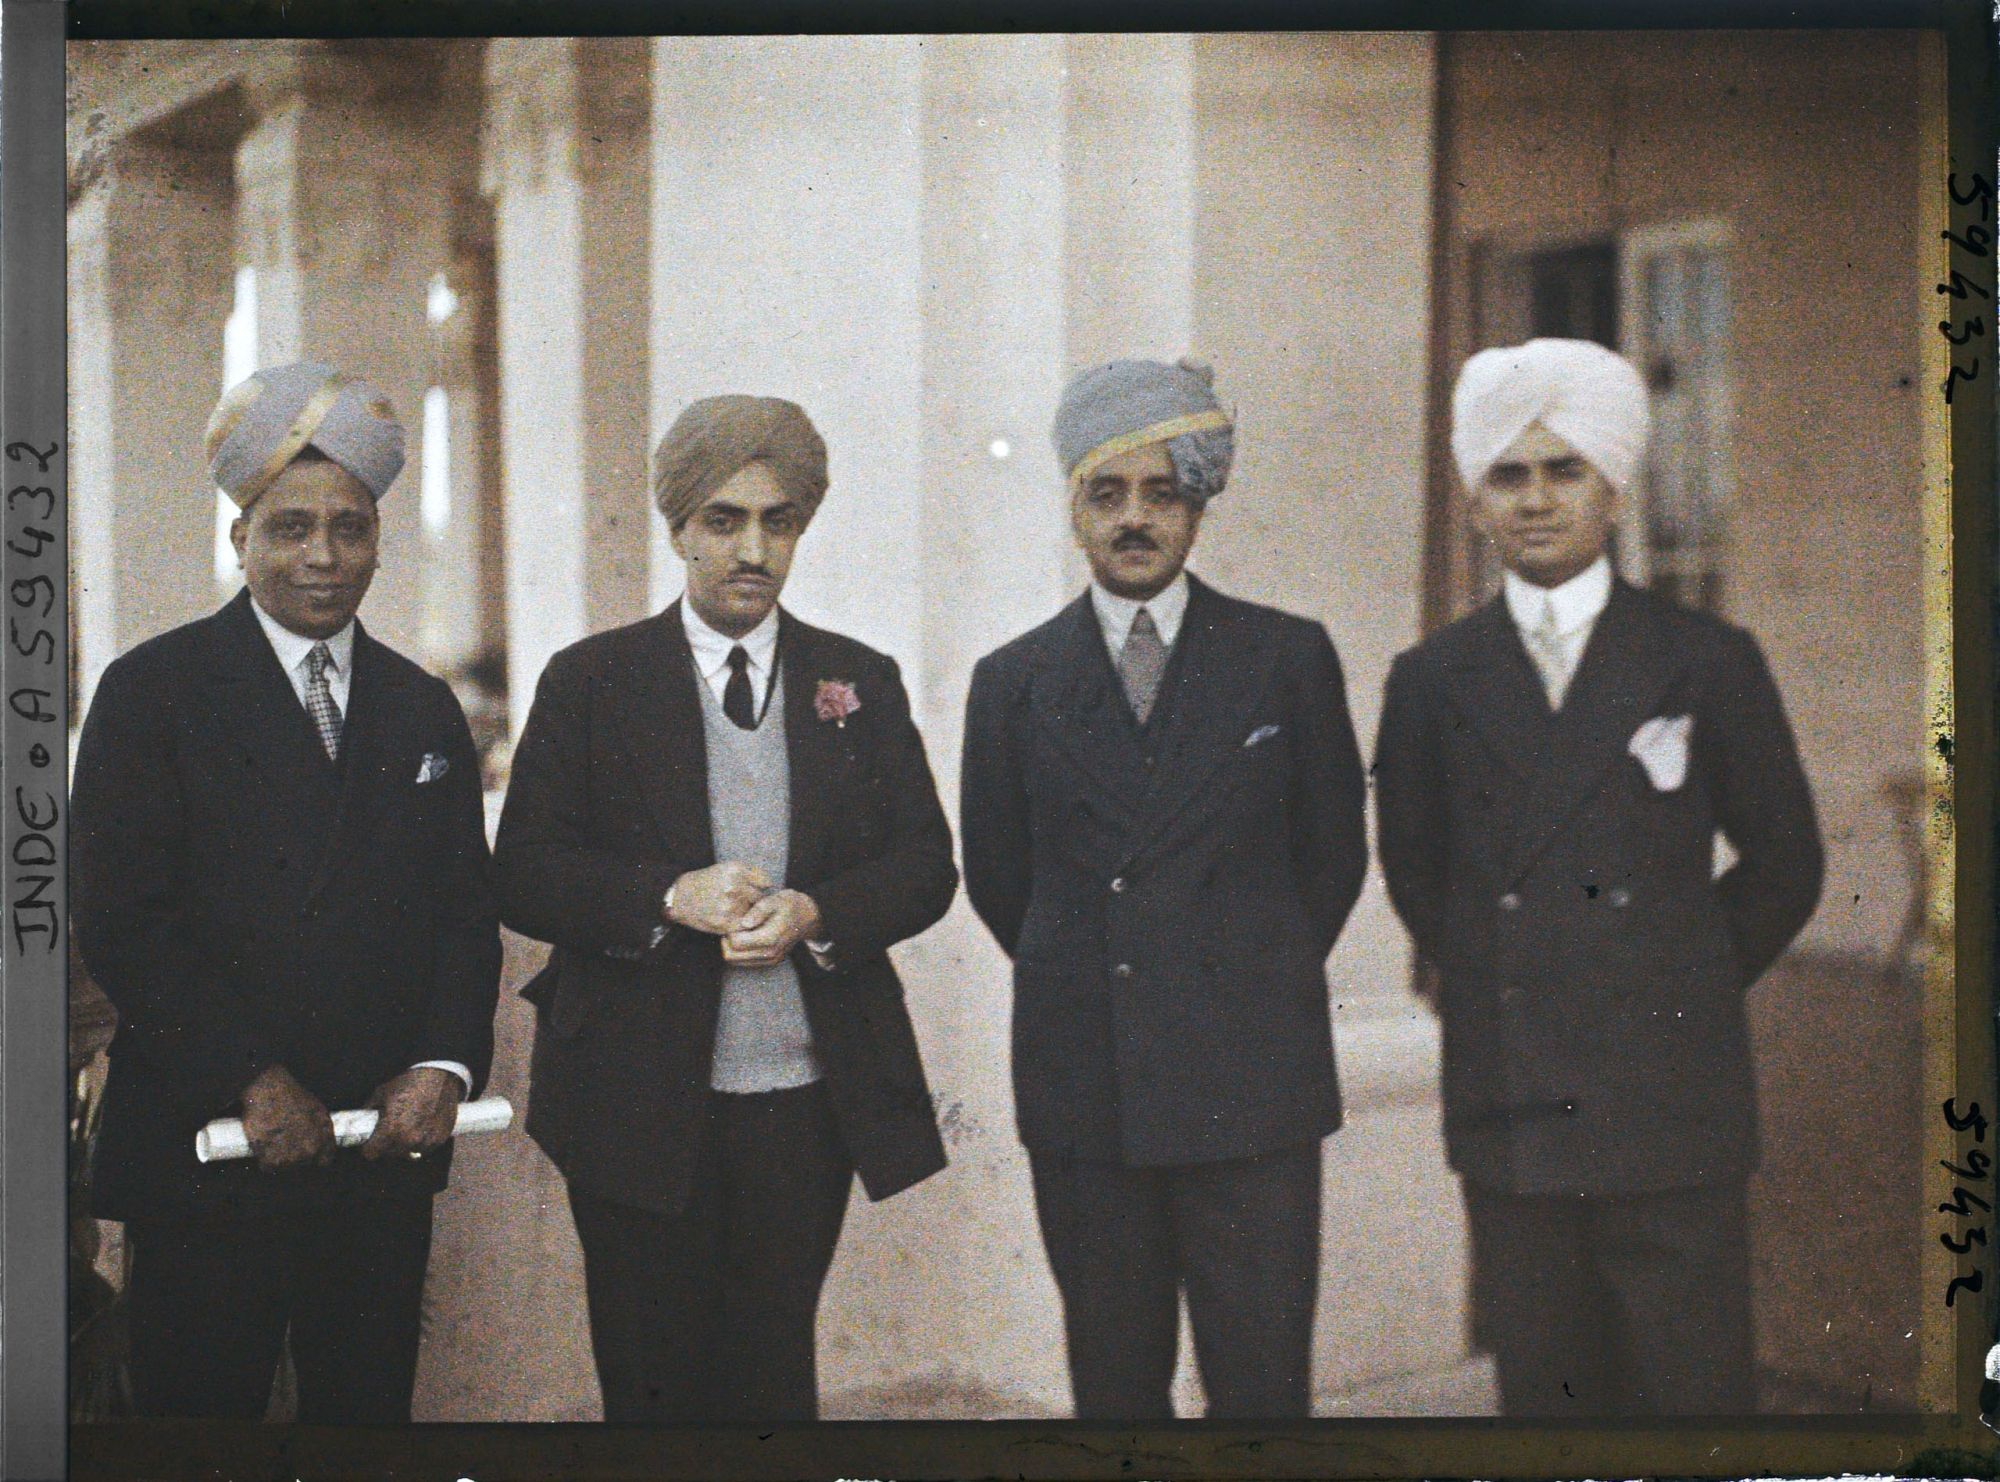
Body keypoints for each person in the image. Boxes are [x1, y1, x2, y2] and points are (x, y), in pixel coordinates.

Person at [1373, 337, 1824, 1416]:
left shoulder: (1706, 658)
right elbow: (1416, 873)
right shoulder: (1430, 680)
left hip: (1670, 1102)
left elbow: (1785, 863)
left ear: (1614, 490)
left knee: (1689, 1398)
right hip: (1514, 1101)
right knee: (1548, 1401)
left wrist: (1673, 974)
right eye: (1506, 475)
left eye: (1561, 470)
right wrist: (1503, 978)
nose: (1534, 501)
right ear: (1475, 501)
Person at [494, 394, 957, 1423]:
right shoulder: (591, 682)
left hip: (802, 1101)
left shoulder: (857, 680)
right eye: (722, 519)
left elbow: (927, 864)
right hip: (632, 1095)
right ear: (676, 529)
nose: (752, 547)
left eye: (777, 521)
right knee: (651, 1386)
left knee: (771, 1378)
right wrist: (667, 895)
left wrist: (815, 912)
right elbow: (521, 868)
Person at [70, 361, 502, 1422]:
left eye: (349, 529)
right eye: (291, 526)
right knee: (196, 1425)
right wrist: (251, 1077)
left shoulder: (419, 707)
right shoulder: (151, 692)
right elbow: (125, 919)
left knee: (365, 1422)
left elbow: (462, 916)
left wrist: (443, 1066)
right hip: (206, 1150)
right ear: (241, 541)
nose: (323, 556)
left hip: (375, 1155)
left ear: (377, 541)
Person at [960, 358, 1368, 1419]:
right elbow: (1003, 880)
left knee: (1261, 1390)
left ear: (1198, 503)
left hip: (1252, 1093)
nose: (1133, 519)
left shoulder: (1286, 658)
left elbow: (1330, 860)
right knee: (1114, 1389)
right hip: (1088, 1092)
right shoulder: (1011, 682)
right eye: (1107, 494)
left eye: (1160, 493)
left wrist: (1230, 968)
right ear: (1072, 508)